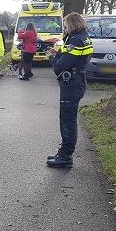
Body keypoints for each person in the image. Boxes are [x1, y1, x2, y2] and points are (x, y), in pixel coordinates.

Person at [45, 12, 93, 168]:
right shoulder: (83, 37)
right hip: (76, 81)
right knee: (69, 119)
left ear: (72, 24)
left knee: (67, 121)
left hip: (71, 83)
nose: (64, 28)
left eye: (65, 25)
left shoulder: (76, 40)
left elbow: (62, 65)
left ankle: (65, 156)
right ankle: (64, 152)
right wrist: (57, 53)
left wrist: (52, 58)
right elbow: (70, 58)